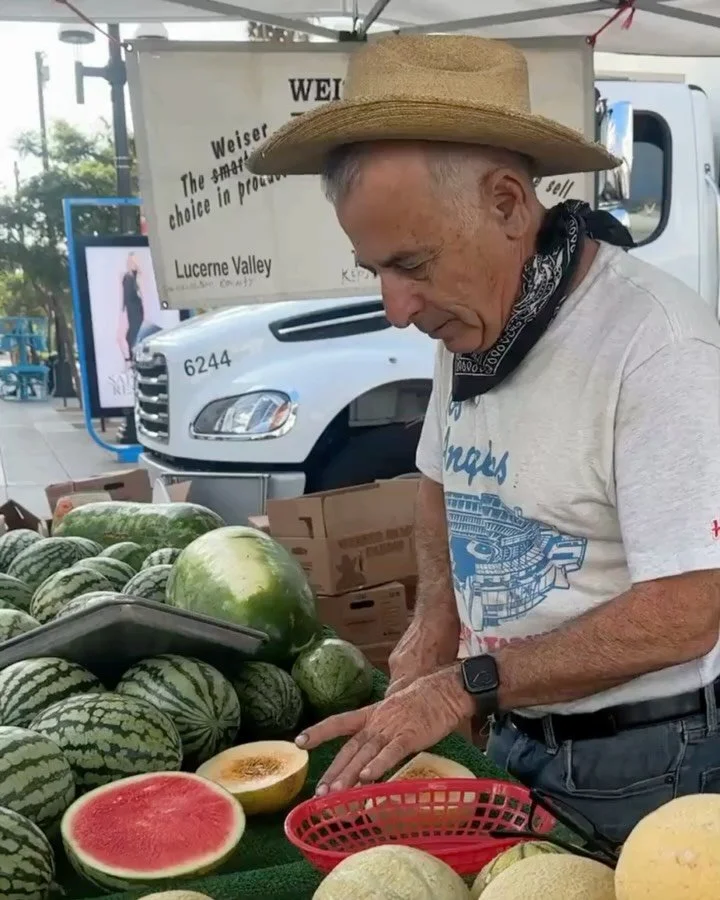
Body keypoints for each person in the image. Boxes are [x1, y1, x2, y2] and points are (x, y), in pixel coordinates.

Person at [248, 35, 720, 844]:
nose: (396, 307)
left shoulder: (657, 345)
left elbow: (690, 610)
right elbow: (442, 482)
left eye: (412, 264)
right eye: (375, 272)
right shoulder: (472, 329)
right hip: (509, 729)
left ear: (506, 203)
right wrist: (435, 624)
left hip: (641, 761)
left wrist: (467, 684)